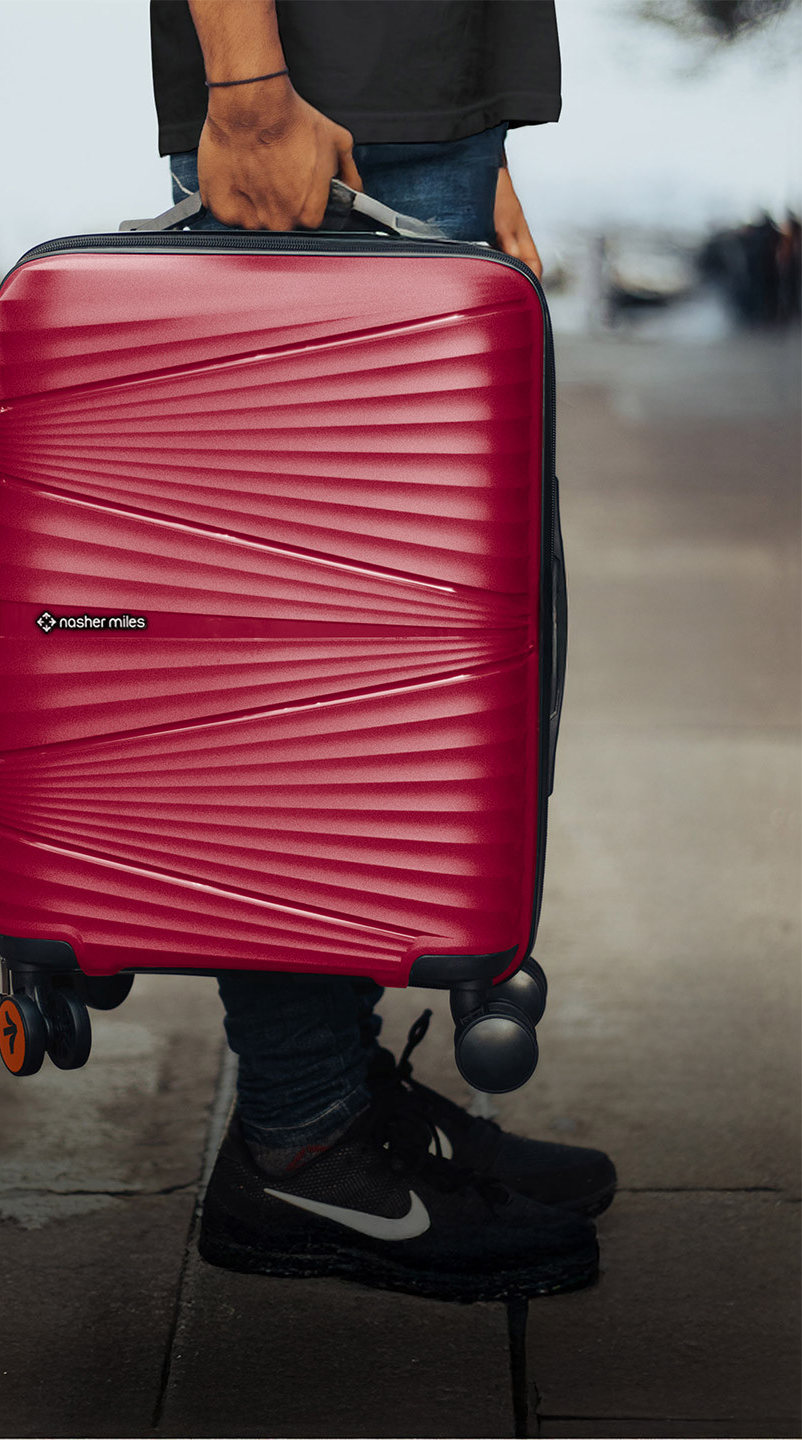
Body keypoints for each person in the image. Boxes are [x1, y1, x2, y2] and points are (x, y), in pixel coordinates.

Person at [148, 0, 616, 1303]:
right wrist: (245, 80)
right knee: (307, 649)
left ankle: (344, 1103)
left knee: (405, 659)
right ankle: (303, 1138)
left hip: (422, 111)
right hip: (312, 103)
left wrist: (484, 145)